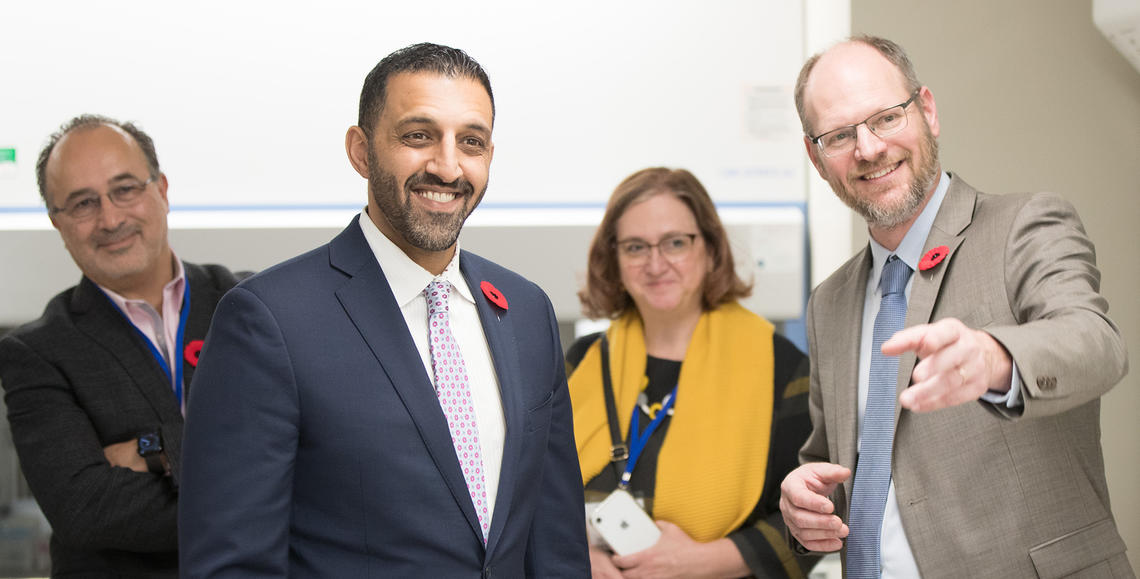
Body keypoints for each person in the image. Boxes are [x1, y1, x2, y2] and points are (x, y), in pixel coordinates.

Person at [178, 42, 590, 577]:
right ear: (360, 150)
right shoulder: (269, 321)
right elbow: (232, 565)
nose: (447, 166)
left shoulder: (528, 311)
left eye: (471, 141)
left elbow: (554, 543)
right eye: (418, 136)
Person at [779, 35, 1132, 578]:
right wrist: (805, 510)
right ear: (816, 158)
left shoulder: (1025, 226)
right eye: (840, 135)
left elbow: (1096, 344)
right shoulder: (829, 303)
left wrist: (996, 358)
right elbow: (842, 469)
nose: (868, 149)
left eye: (886, 118)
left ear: (927, 111)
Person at [0, 115, 243, 577]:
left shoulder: (248, 305)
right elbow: (85, 510)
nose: (110, 219)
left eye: (125, 189)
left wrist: (153, 449)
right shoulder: (35, 353)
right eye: (82, 203)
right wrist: (262, 504)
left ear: (162, 190)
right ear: (57, 221)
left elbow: (314, 450)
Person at [566, 167, 817, 578]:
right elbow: (534, 495)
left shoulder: (782, 370)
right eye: (635, 247)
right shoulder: (582, 362)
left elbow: (813, 521)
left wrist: (701, 562)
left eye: (675, 243)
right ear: (614, 258)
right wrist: (577, 556)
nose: (655, 263)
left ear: (712, 249)